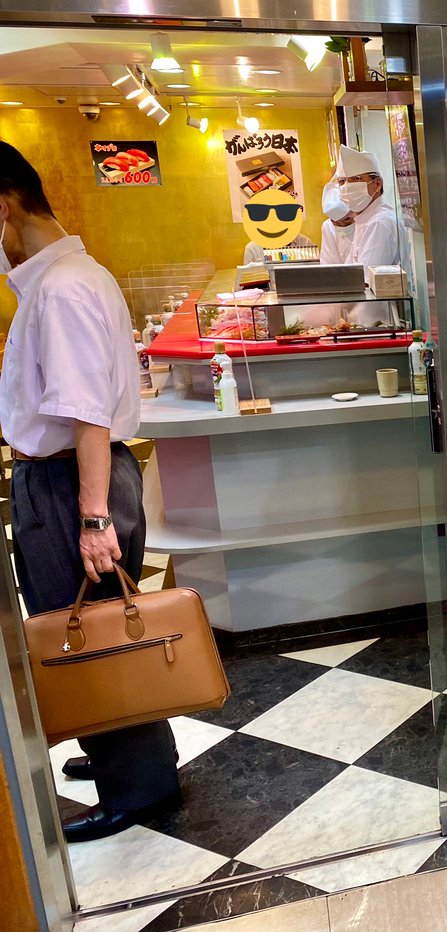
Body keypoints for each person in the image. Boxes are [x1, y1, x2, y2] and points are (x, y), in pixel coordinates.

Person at [0, 142, 181, 842]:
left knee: (90, 632)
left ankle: (138, 787)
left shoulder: (63, 288)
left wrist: (93, 517)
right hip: (75, 475)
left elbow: (86, 415)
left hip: (71, 479)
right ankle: (125, 749)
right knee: (99, 622)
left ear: (4, 207)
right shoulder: (72, 275)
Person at [335, 144, 415, 277]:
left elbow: (366, 279)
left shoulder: (379, 223)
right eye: (342, 181)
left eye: (356, 179)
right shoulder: (364, 219)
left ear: (377, 184)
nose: (347, 187)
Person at [319, 179, 355, 265]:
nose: (342, 225)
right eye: (337, 222)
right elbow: (327, 261)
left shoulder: (364, 223)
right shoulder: (327, 226)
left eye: (347, 220)